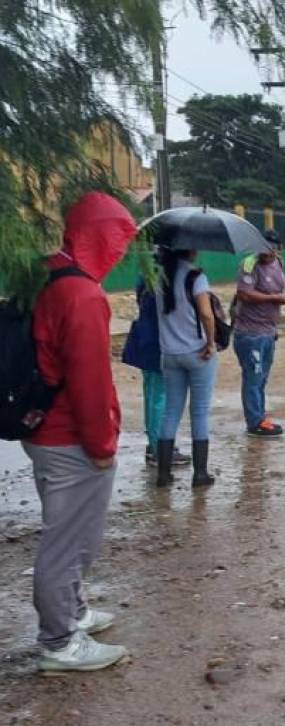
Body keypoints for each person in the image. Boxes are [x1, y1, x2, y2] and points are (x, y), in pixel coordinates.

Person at [24, 192, 134, 671]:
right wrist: (102, 445)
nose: (123, 250)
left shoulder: (48, 274)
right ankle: (59, 642)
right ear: (99, 236)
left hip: (44, 429)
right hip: (71, 438)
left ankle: (76, 613)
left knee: (66, 532)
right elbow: (89, 378)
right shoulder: (83, 294)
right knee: (69, 542)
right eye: (119, 239)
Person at [155, 246, 219, 488]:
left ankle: (163, 474)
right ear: (190, 249)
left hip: (169, 354)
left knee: (171, 411)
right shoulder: (196, 277)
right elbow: (206, 313)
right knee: (199, 411)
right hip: (197, 352)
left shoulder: (160, 277)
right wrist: (211, 343)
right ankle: (200, 474)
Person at [121, 271, 191, 469]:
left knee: (152, 393)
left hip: (146, 338)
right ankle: (160, 447)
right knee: (161, 395)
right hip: (160, 341)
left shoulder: (147, 272)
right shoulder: (169, 276)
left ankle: (154, 445)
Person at [233, 230, 285, 437]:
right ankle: (255, 422)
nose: (266, 252)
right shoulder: (249, 264)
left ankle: (260, 416)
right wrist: (274, 298)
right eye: (263, 247)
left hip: (268, 332)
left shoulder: (279, 263)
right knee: (253, 377)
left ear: (278, 248)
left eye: (271, 248)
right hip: (250, 333)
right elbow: (244, 293)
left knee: (262, 377)